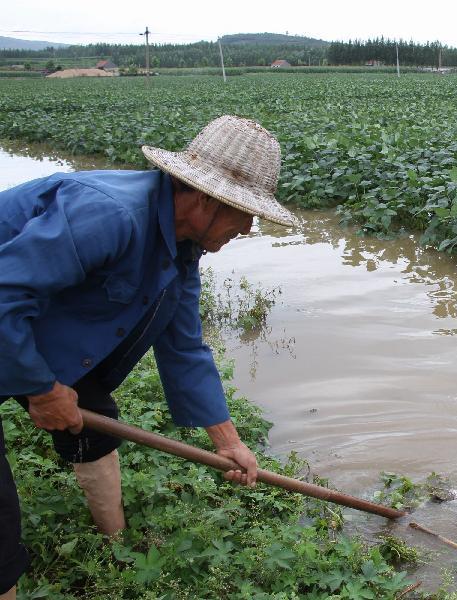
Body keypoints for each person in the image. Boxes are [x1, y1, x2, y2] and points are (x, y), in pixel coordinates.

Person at [0, 115, 298, 599]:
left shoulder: (182, 247)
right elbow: (3, 297)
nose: (247, 228)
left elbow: (182, 345)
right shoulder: (109, 215)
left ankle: (114, 548)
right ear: (203, 200)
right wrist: (40, 389)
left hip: (20, 322)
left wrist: (226, 440)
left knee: (91, 413)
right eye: (244, 213)